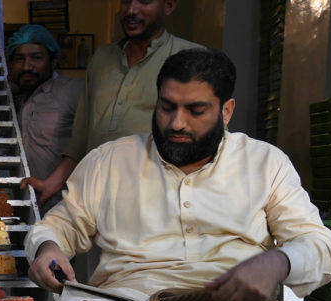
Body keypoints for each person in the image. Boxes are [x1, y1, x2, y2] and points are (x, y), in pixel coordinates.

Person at [24, 49, 331, 301]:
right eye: (167, 107)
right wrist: (48, 247)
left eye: (196, 110)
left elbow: (319, 247)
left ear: (226, 111)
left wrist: (277, 263)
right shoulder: (108, 161)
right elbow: (59, 226)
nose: (177, 123)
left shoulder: (265, 163)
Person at [23, 0, 201, 206]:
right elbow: (81, 139)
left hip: (155, 202)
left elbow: (205, 146)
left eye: (143, 1)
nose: (131, 10)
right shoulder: (102, 58)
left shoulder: (192, 60)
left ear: (169, 5)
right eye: (125, 1)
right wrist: (51, 184)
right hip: (95, 197)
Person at [7, 25, 84, 212]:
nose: (27, 66)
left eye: (36, 57)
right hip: (24, 202)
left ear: (53, 60)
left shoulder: (73, 91)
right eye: (19, 59)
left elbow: (90, 141)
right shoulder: (15, 97)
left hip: (64, 206)